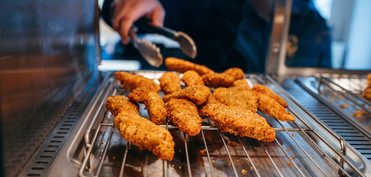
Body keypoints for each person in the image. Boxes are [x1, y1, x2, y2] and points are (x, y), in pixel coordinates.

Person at [101, 0, 331, 72]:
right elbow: (147, 6)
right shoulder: (213, 5)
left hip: (285, 139)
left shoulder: (311, 23)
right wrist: (116, 6)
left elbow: (316, 82)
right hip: (206, 136)